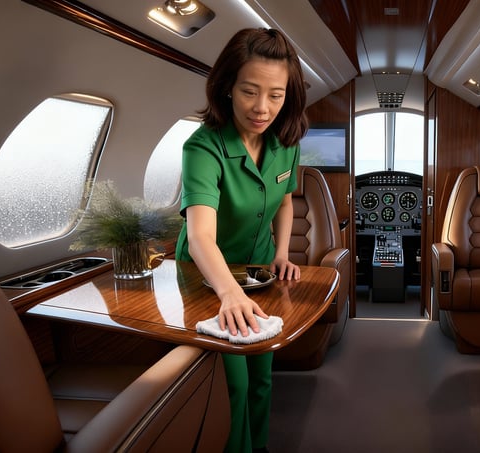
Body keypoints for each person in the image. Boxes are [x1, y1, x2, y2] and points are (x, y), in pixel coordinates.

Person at [175, 28, 308, 452]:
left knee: (262, 372)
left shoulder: (286, 143)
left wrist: (283, 253)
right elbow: (199, 236)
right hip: (209, 275)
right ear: (227, 87)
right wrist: (229, 293)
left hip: (261, 270)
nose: (262, 108)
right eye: (250, 91)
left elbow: (285, 202)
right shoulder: (202, 147)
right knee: (232, 380)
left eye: (276, 94)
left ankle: (260, 445)